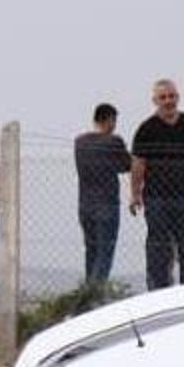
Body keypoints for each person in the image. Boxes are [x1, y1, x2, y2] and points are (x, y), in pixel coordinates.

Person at [130, 79, 184, 290]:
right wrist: (135, 193)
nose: (168, 101)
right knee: (159, 250)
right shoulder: (146, 129)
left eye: (171, 96)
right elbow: (138, 164)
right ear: (155, 100)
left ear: (178, 97)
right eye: (163, 97)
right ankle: (158, 293)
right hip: (157, 200)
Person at [74, 102, 130, 285]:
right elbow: (127, 165)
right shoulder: (114, 141)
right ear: (110, 120)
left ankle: (88, 290)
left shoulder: (79, 142)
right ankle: (96, 292)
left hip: (85, 203)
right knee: (105, 252)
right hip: (107, 202)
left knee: (91, 250)